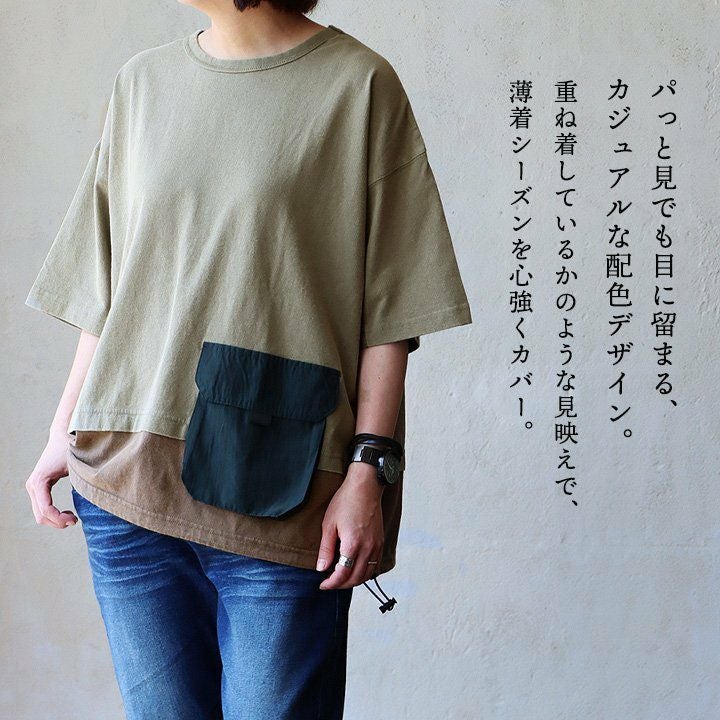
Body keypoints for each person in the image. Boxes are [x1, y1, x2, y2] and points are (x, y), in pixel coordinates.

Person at [23, 1, 473, 718]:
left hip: (280, 490)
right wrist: (61, 430)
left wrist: (369, 470)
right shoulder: (142, 83)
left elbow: (393, 312)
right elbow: (109, 288)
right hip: (124, 482)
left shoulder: (358, 85)